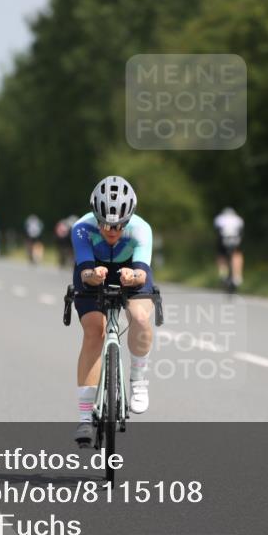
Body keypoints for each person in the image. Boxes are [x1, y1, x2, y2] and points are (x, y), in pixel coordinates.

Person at [71, 176, 155, 446]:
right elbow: (84, 271)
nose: (112, 230)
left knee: (141, 317)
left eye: (120, 225)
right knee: (94, 331)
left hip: (131, 268)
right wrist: (92, 275)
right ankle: (85, 418)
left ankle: (139, 380)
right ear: (96, 216)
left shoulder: (141, 230)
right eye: (106, 223)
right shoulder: (81, 229)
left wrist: (133, 276)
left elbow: (142, 273)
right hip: (93, 269)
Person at [214, 207, 245, 288]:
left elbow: (217, 231)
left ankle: (222, 273)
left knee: (221, 254)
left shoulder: (219, 218)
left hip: (223, 240)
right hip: (235, 239)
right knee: (237, 254)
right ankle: (238, 276)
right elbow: (241, 231)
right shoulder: (238, 219)